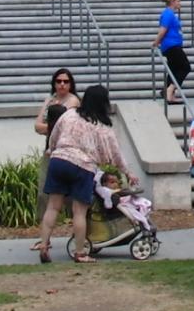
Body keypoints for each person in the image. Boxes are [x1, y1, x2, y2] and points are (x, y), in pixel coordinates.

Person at [37, 85, 127, 264]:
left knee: (53, 207)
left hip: (59, 160)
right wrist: (127, 171)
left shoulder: (69, 114)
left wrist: (52, 149)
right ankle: (80, 253)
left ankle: (44, 245)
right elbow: (114, 153)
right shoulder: (102, 126)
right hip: (83, 166)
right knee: (79, 212)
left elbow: (54, 133)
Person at [154, 0, 190, 104]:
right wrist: (156, 42)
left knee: (174, 69)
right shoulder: (168, 14)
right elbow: (163, 30)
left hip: (172, 45)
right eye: (178, 1)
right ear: (172, 2)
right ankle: (169, 89)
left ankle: (169, 94)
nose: (180, 3)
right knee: (185, 67)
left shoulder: (170, 14)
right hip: (172, 46)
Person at [35, 68, 81, 135]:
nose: (62, 84)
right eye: (59, 81)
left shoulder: (73, 100)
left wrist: (46, 128)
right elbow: (37, 126)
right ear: (54, 83)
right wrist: (51, 128)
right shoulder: (49, 99)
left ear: (70, 84)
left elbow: (63, 127)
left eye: (66, 81)